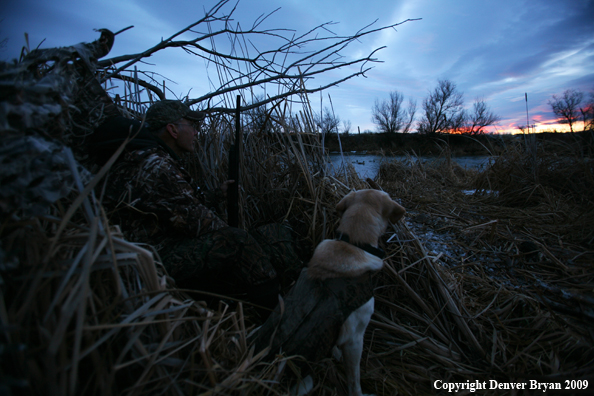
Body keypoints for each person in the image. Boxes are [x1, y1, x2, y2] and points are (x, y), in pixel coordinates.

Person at [98, 100, 300, 310]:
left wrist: (215, 196)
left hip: (162, 250)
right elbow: (203, 224)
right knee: (238, 242)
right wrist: (249, 246)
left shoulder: (148, 158)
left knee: (270, 233)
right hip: (155, 262)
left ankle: (286, 291)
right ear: (173, 130)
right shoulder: (157, 167)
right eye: (192, 126)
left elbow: (178, 208)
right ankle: (273, 314)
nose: (196, 132)